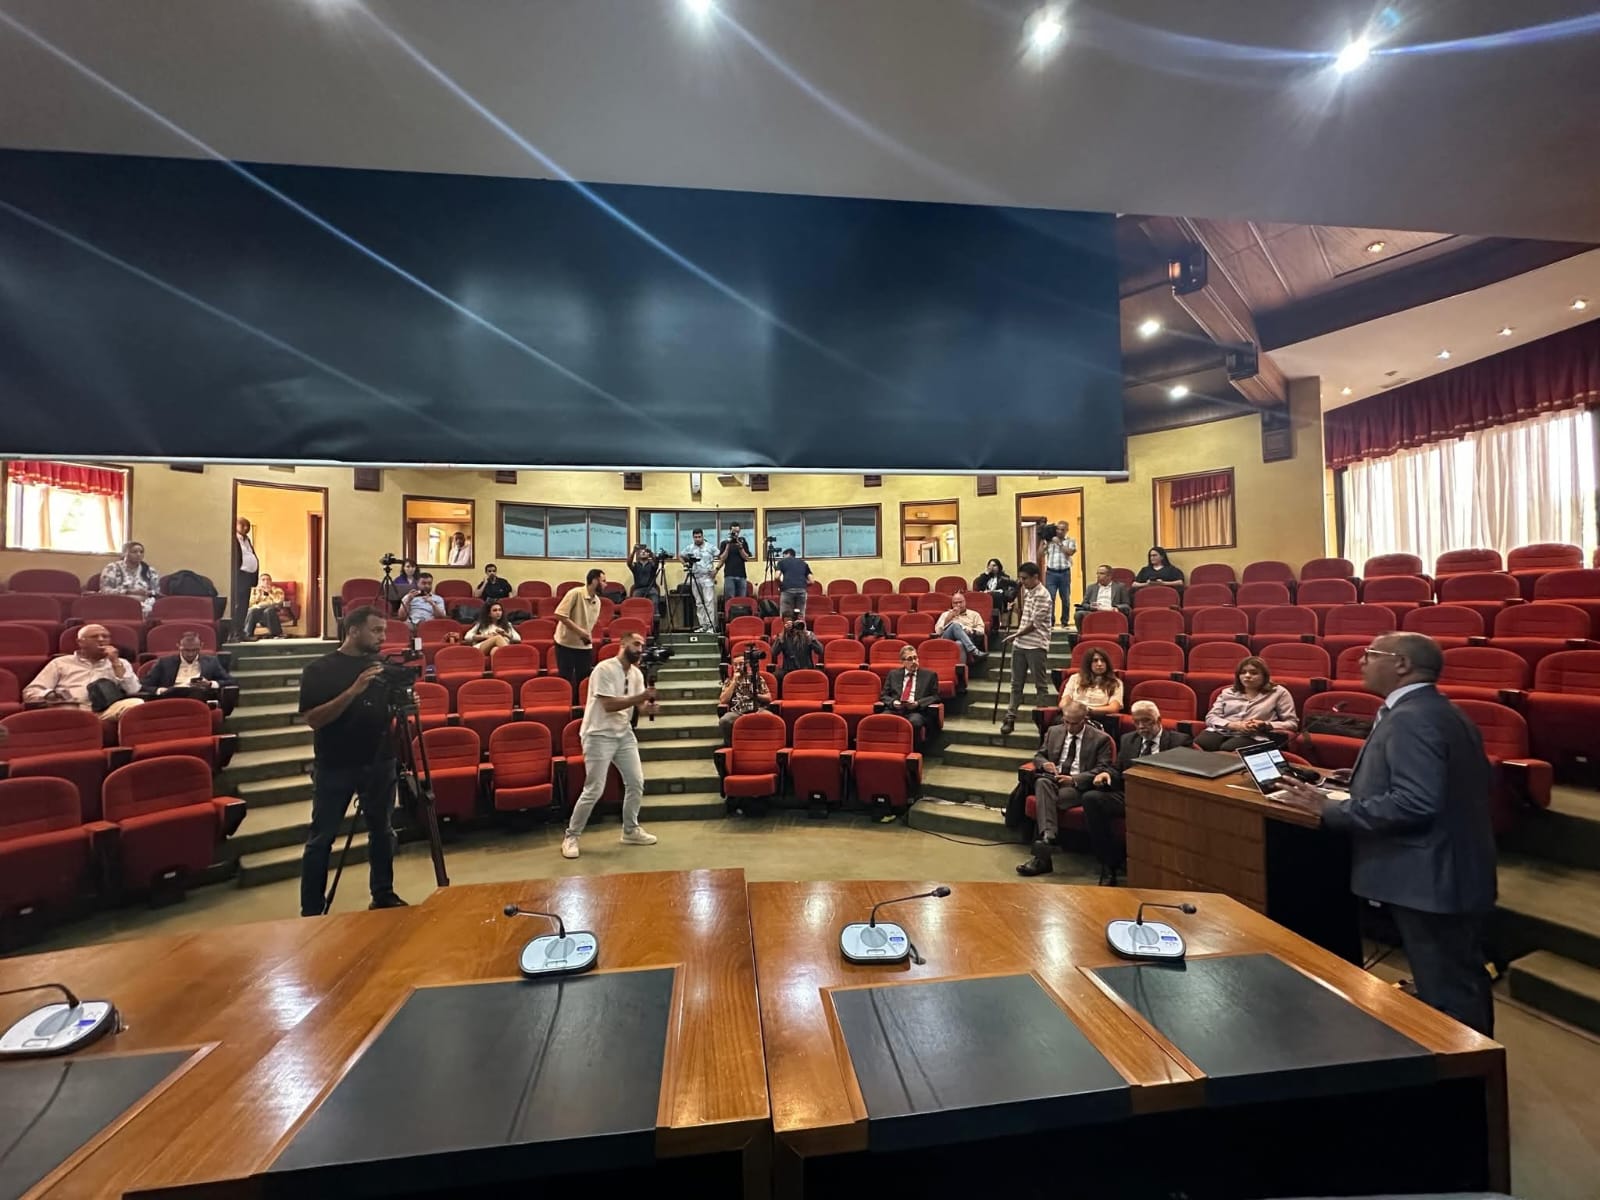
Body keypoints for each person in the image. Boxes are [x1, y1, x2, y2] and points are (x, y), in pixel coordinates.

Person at [1275, 633, 1497, 1036]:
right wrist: (1363, 781)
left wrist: (1330, 808)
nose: (1361, 662)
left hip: (1429, 877)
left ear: (1401, 664)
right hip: (1446, 869)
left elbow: (1415, 803)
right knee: (1455, 980)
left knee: (1450, 993)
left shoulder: (1412, 718)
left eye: (1370, 655)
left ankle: (1464, 1071)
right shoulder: (1436, 710)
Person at [296, 606, 407, 916]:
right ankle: (312, 910)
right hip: (336, 765)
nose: (383, 637)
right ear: (354, 631)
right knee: (321, 839)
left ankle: (383, 894)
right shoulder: (319, 670)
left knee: (382, 831)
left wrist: (407, 703)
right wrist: (354, 691)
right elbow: (314, 719)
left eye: (384, 630)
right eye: (376, 630)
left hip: (380, 761)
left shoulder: (381, 668)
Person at [561, 629, 659, 859]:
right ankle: (571, 836)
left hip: (623, 733)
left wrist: (648, 708)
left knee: (636, 782)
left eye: (642, 645)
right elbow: (608, 705)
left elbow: (637, 706)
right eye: (636, 644)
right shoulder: (603, 669)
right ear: (622, 644)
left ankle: (630, 830)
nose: (640, 649)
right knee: (594, 788)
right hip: (598, 734)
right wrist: (641, 697)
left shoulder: (636, 674)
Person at [1081, 700, 1191, 885]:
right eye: (1137, 722)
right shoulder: (1128, 739)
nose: (1141, 726)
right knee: (1091, 798)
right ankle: (1109, 863)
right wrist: (1107, 774)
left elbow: (1184, 776)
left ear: (1159, 720)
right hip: (1130, 795)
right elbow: (1118, 768)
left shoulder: (1179, 741)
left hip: (1161, 798)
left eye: (1146, 721)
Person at [1016, 701, 1116, 877]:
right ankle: (1049, 837)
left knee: (1044, 801)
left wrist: (1074, 780)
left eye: (1074, 723)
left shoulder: (1101, 739)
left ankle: (1043, 855)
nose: (1069, 727)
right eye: (1066, 721)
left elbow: (1103, 769)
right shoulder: (1054, 731)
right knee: (1042, 782)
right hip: (1053, 780)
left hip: (1078, 787)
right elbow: (1039, 755)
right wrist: (1044, 764)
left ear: (1084, 719)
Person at [23, 623, 144, 722]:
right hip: (71, 708)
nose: (101, 640)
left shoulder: (120, 663)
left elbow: (133, 690)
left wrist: (115, 663)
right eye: (94, 637)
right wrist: (51, 694)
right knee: (67, 710)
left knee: (136, 703)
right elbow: (30, 692)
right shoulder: (60, 663)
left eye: (105, 637)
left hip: (105, 710)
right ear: (80, 642)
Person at [1195, 656, 1298, 750]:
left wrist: (1266, 725)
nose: (1247, 676)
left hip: (1254, 735)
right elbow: (1211, 717)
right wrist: (1231, 725)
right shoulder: (1227, 692)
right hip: (1223, 730)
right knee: (1201, 743)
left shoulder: (1278, 692)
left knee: (1228, 748)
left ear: (1264, 676)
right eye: (1243, 672)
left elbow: (1292, 723)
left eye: (1254, 673)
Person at [1000, 562, 1053, 738]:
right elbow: (1027, 617)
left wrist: (1015, 635)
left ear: (1035, 577)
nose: (1021, 582)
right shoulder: (1028, 592)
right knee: (1016, 683)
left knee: (1040, 684)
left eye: (1024, 579)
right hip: (1020, 644)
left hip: (1036, 645)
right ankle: (1010, 717)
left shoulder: (1043, 595)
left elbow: (1034, 624)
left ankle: (1043, 719)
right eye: (1020, 578)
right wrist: (1015, 609)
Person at [553, 569, 604, 695]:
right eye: (603, 581)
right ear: (594, 581)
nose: (606, 584)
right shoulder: (575, 593)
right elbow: (560, 615)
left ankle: (580, 703)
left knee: (584, 680)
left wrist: (585, 635)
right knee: (565, 678)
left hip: (584, 645)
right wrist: (580, 632)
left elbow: (589, 625)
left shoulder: (598, 601)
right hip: (565, 644)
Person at [145, 630, 235, 694]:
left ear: (201, 646)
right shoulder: (164, 663)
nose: (190, 654)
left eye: (195, 650)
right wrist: (159, 690)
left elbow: (230, 681)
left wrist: (210, 684)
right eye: (186, 650)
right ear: (178, 646)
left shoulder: (211, 662)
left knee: (197, 692)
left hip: (200, 697)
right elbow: (144, 684)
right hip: (172, 695)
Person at [879, 644, 939, 736]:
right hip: (895, 710)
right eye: (910, 659)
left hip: (916, 711)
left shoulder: (930, 675)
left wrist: (918, 703)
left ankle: (912, 745)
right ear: (902, 662)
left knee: (915, 722)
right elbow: (884, 695)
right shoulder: (893, 674)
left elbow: (936, 696)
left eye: (915, 658)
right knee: (881, 720)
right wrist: (893, 702)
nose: (914, 661)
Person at [1059, 647, 1124, 725]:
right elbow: (1063, 703)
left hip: (1098, 717)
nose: (1100, 664)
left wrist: (1088, 710)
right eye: (1095, 661)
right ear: (1088, 664)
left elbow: (1113, 708)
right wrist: (1074, 711)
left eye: (1103, 661)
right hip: (1073, 715)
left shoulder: (1115, 683)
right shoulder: (1075, 678)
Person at [717, 654, 772, 742]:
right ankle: (731, 745)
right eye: (735, 665)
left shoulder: (756, 678)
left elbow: (769, 698)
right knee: (724, 721)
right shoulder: (729, 681)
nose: (738, 667)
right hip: (737, 711)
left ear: (747, 665)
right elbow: (723, 700)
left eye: (741, 664)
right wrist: (734, 682)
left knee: (771, 718)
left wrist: (755, 695)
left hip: (757, 709)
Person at [100, 541, 160, 617]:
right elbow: (105, 591)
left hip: (145, 604)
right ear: (124, 553)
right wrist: (128, 591)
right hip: (118, 604)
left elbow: (156, 591)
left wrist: (147, 593)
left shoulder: (149, 570)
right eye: (134, 552)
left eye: (141, 552)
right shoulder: (112, 568)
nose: (139, 554)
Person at [1037, 520, 1077, 627]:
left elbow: (1070, 552)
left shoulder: (1070, 540)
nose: (1059, 531)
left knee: (1065, 598)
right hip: (1051, 573)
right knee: (1050, 598)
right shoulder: (1049, 541)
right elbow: (1039, 555)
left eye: (1062, 530)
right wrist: (1043, 541)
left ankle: (1064, 622)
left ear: (1067, 530)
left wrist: (1059, 543)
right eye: (1058, 529)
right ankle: (1051, 622)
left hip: (1065, 573)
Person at [933, 593, 987, 663]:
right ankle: (974, 651)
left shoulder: (974, 614)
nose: (958, 605)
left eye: (960, 602)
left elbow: (981, 630)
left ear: (965, 602)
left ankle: (961, 668)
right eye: (955, 603)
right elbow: (938, 631)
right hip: (948, 637)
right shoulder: (946, 614)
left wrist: (970, 631)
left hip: (967, 638)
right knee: (955, 625)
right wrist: (948, 619)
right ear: (952, 604)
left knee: (959, 643)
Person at [683, 529, 719, 632]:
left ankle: (711, 626)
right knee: (699, 603)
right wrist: (685, 564)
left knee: (709, 602)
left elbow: (722, 557)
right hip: (695, 577)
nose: (697, 539)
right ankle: (703, 626)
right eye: (695, 537)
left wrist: (716, 569)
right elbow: (681, 555)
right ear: (693, 537)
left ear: (703, 536)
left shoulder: (710, 547)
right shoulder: (690, 548)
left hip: (707, 578)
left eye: (699, 537)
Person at [231, 518, 259, 640]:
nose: (246, 528)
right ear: (235, 525)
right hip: (239, 575)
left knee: (244, 606)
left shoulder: (247, 540)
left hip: (248, 576)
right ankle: (234, 634)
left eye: (247, 526)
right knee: (237, 605)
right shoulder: (233, 538)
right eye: (242, 525)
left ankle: (241, 633)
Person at [972, 557, 1017, 632]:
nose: (992, 568)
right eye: (990, 566)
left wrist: (993, 592)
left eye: (994, 565)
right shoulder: (985, 577)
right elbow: (978, 585)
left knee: (996, 595)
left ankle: (995, 623)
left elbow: (1005, 590)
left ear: (999, 567)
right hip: (986, 598)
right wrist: (986, 574)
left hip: (998, 599)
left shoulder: (1004, 577)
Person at [241, 573, 286, 639]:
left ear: (271, 581)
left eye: (268, 579)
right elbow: (250, 604)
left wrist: (269, 593)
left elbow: (278, 602)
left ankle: (276, 634)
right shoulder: (254, 591)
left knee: (268, 610)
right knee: (252, 610)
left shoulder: (277, 590)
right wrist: (258, 595)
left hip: (271, 612)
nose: (266, 581)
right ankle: (247, 635)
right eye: (263, 580)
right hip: (257, 612)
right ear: (259, 582)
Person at [774, 548, 813, 620]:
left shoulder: (782, 562)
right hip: (801, 590)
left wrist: (781, 585)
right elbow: (811, 581)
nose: (783, 557)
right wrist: (802, 584)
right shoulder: (803, 563)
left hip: (787, 590)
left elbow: (776, 577)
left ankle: (786, 627)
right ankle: (800, 626)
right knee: (800, 616)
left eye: (783, 556)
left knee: (786, 616)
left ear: (787, 554)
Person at [719, 523, 754, 600]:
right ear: (730, 531)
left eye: (737, 532)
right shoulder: (724, 543)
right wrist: (728, 545)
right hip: (729, 575)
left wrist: (740, 547)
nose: (736, 534)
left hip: (741, 575)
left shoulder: (742, 542)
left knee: (742, 599)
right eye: (734, 532)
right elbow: (722, 558)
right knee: (730, 600)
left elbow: (746, 558)